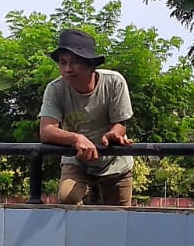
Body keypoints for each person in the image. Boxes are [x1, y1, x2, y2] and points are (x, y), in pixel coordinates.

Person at [38, 29, 135, 206]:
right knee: (67, 198)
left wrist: (114, 134)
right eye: (63, 62)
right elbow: (46, 131)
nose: (68, 69)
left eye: (75, 62)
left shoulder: (114, 82)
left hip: (114, 160)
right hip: (77, 158)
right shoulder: (55, 89)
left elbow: (120, 123)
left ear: (91, 65)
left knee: (119, 221)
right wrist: (76, 138)